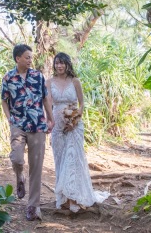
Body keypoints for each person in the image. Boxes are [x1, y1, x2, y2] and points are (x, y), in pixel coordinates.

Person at [49, 52, 109, 213]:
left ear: (68, 64)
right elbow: (48, 105)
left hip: (74, 125)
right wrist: (50, 122)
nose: (59, 66)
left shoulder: (75, 81)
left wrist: (74, 120)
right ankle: (63, 197)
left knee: (73, 159)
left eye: (62, 63)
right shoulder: (49, 82)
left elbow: (82, 103)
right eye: (57, 63)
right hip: (57, 126)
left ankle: (74, 197)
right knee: (60, 160)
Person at [1, 44, 55, 221]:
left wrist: (50, 118)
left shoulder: (38, 76)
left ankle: (33, 206)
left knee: (37, 166)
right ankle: (19, 176)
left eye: (31, 57)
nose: (30, 60)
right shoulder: (8, 77)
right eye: (27, 57)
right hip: (18, 124)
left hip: (38, 124)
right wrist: (9, 118)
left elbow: (46, 98)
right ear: (18, 59)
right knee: (16, 158)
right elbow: (4, 100)